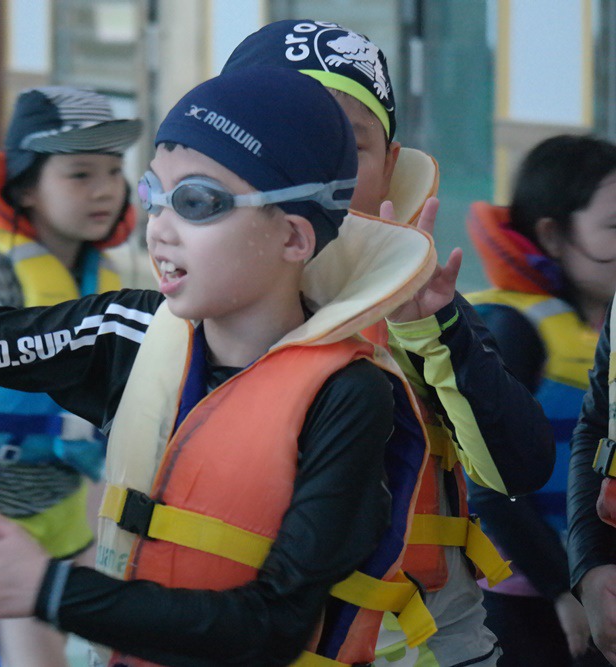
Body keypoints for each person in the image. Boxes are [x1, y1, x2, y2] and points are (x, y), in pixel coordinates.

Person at [0, 66, 443, 666]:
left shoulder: (346, 397)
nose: (158, 228)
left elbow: (272, 625)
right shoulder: (130, 334)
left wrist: (49, 590)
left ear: (294, 237)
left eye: (196, 202)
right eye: (152, 196)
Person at [221, 19, 556, 667]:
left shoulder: (425, 306)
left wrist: (430, 327)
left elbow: (519, 467)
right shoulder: (184, 313)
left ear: (390, 169)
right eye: (281, 138)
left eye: (349, 144)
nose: (317, 166)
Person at [0, 85, 141, 667]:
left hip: (65, 514)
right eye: (80, 174)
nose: (104, 190)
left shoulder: (103, 277)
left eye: (114, 172)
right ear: (24, 188)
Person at [464, 135, 616, 666]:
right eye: (614, 226)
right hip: (527, 608)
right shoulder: (514, 331)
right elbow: (486, 485)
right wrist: (560, 588)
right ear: (553, 235)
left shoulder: (606, 333)